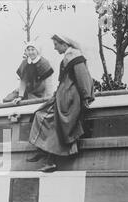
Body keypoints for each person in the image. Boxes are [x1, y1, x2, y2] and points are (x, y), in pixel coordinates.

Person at [27, 34, 94, 172]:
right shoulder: (69, 56)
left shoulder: (74, 57)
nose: (55, 48)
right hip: (62, 96)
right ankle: (42, 150)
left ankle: (49, 160)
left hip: (69, 98)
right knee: (40, 115)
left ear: (64, 44)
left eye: (56, 45)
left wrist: (86, 96)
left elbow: (83, 78)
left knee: (55, 124)